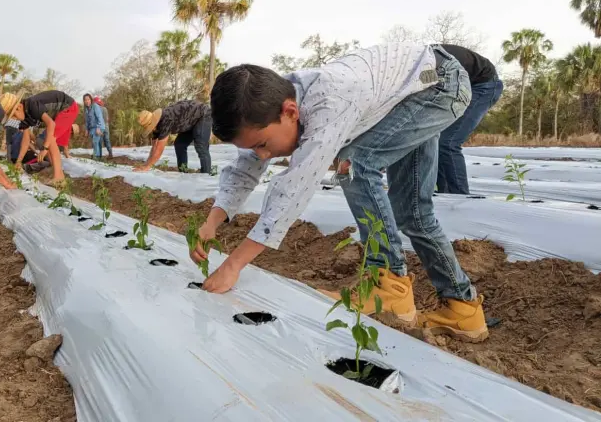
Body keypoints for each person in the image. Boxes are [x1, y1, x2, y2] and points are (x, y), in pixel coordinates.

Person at [190, 44, 488, 343]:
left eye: (263, 144)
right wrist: (212, 223)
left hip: (439, 85)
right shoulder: (266, 105)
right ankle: (463, 308)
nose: (262, 155)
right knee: (411, 209)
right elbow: (245, 168)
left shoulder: (330, 103)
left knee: (355, 165)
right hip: (420, 87)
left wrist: (233, 265)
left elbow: (293, 191)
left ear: (290, 112)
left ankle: (389, 284)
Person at [436, 45, 504, 194]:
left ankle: (460, 197)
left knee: (448, 141)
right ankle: (442, 194)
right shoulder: (419, 63)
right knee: (434, 138)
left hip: (484, 86)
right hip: (463, 85)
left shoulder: (430, 62)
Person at [0, 89, 79, 184]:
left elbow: (51, 124)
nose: (14, 119)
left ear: (19, 107)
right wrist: (18, 161)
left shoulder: (32, 105)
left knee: (50, 138)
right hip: (57, 114)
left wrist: (44, 149)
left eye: (13, 115)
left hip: (68, 107)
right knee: (49, 139)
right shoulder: (24, 119)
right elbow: (26, 140)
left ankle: (59, 177)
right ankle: (58, 174)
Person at [133, 100, 213, 174]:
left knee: (201, 146)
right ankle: (183, 172)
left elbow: (159, 149)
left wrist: (147, 167)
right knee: (179, 144)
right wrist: (146, 164)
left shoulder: (166, 120)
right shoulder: (156, 127)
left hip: (203, 114)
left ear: (153, 122)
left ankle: (206, 174)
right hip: (189, 122)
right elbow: (154, 147)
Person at [84, 94, 106, 159]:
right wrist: (87, 129)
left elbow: (99, 117)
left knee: (95, 141)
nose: (87, 101)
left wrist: (98, 128)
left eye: (88, 99)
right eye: (85, 100)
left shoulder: (95, 106)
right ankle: (98, 156)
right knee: (96, 142)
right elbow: (87, 120)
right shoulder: (86, 109)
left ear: (91, 100)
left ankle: (95, 156)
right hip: (92, 128)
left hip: (99, 126)